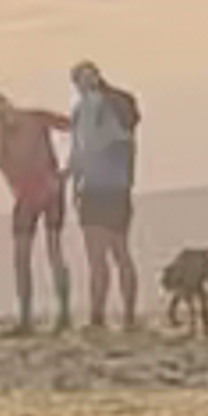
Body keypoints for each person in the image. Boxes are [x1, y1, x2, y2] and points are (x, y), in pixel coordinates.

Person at [0, 85, 71, 333]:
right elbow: (0, 157)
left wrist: (66, 171)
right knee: (22, 256)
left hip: (49, 190)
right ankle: (26, 317)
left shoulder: (34, 119)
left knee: (53, 250)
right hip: (26, 195)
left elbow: (73, 127)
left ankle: (62, 314)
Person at [69, 56, 143, 333]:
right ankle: (117, 316)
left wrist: (76, 181)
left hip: (102, 188)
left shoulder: (98, 109)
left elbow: (84, 150)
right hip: (109, 187)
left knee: (106, 255)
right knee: (112, 254)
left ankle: (109, 316)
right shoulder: (101, 110)